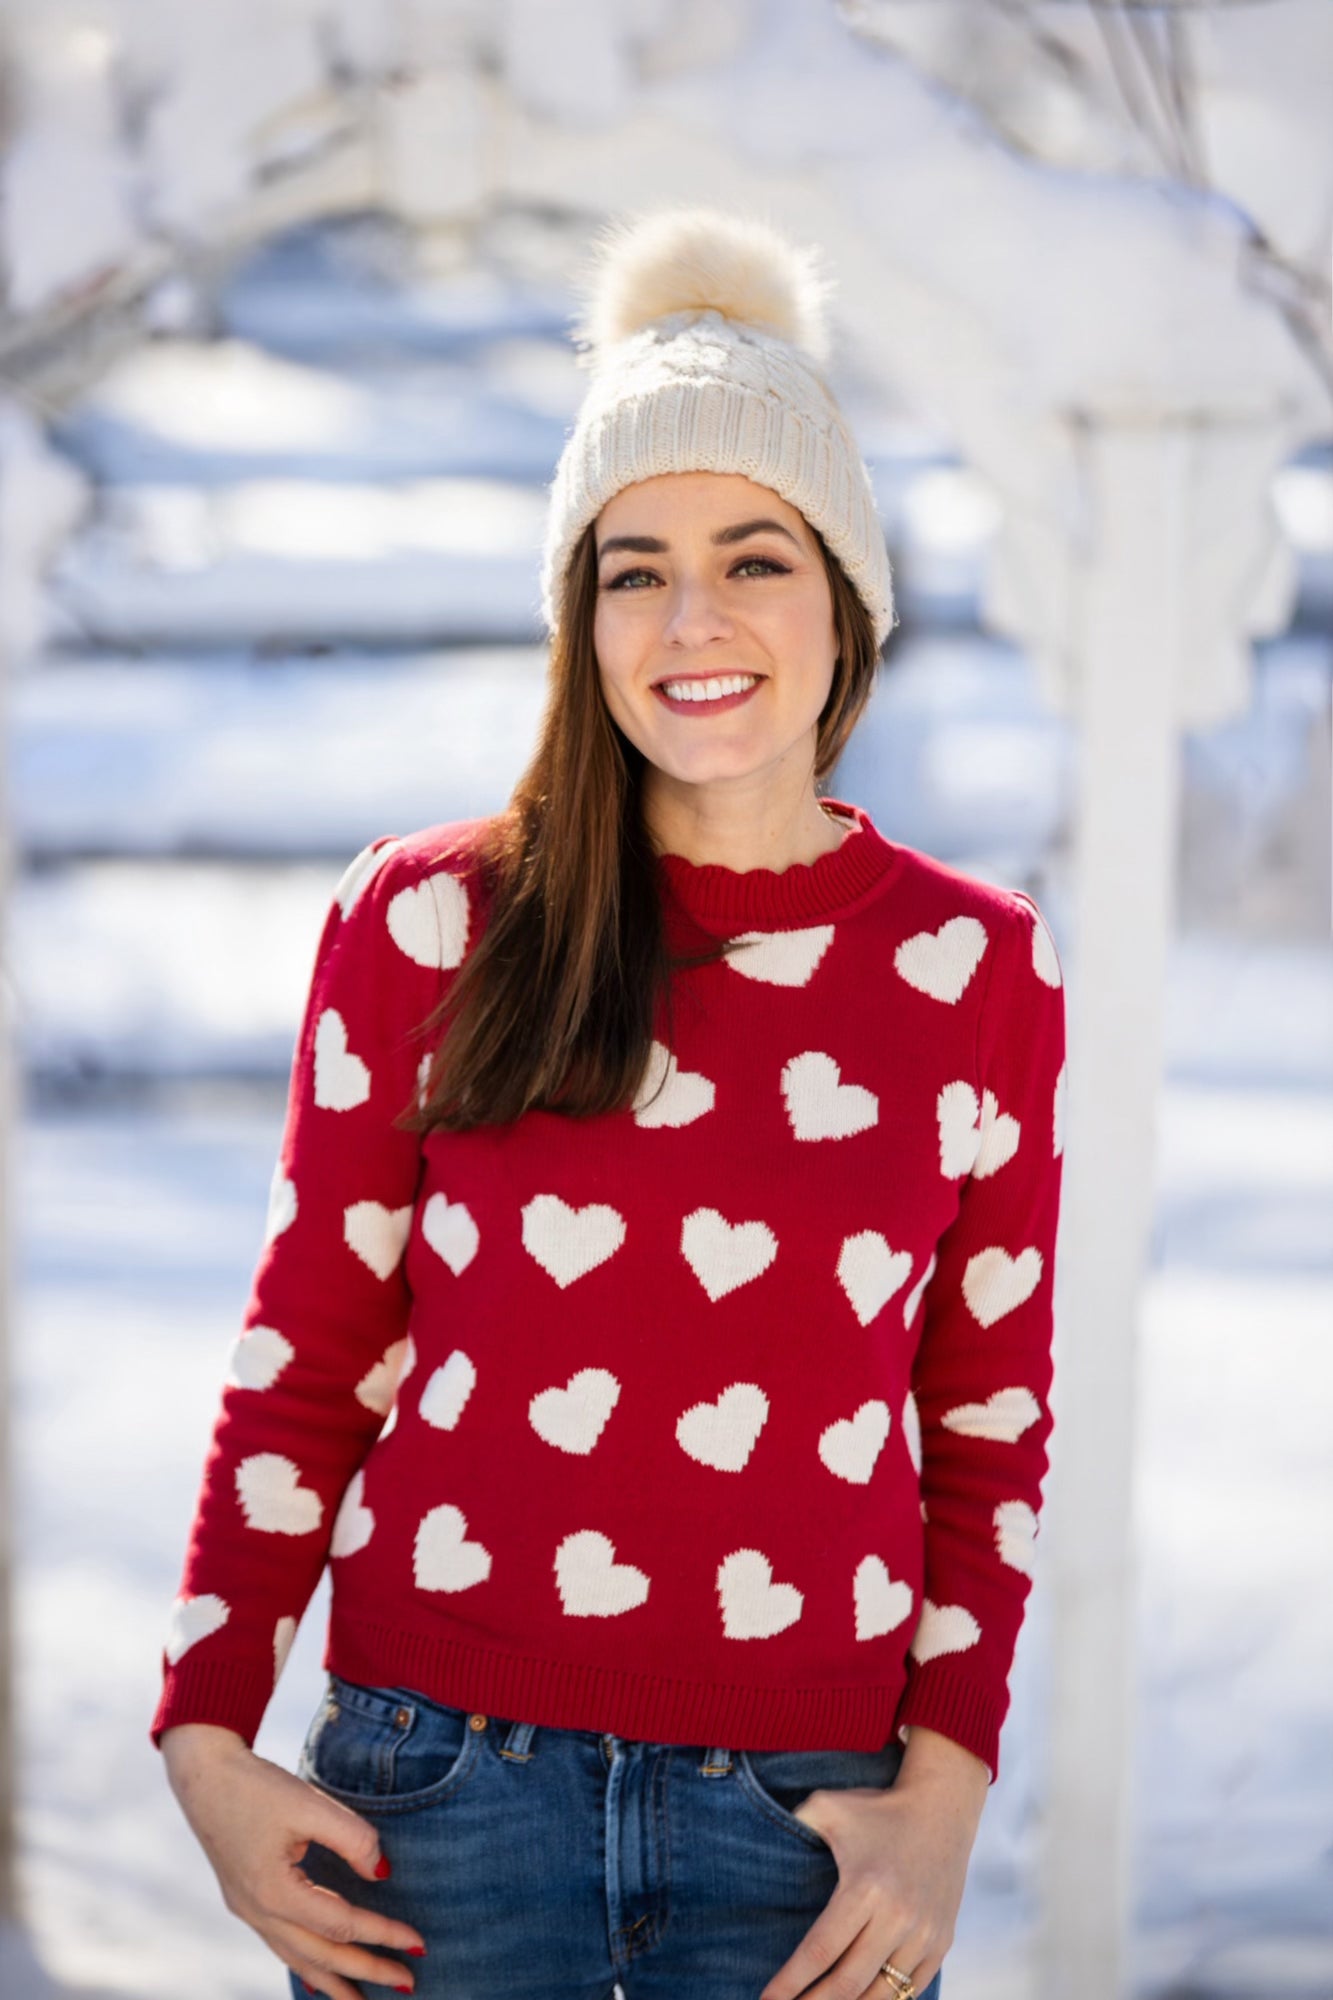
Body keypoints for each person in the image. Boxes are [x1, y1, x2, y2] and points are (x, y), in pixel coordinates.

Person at [154, 205, 1067, 2000]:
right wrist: (205, 1729)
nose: (692, 617)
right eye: (632, 566)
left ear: (846, 596)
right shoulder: (430, 919)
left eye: (755, 556)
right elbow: (312, 1343)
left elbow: (985, 1420)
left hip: (808, 1821)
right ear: (579, 614)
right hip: (439, 1798)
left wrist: (943, 1793)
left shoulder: (975, 970)